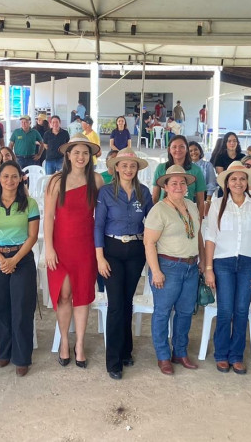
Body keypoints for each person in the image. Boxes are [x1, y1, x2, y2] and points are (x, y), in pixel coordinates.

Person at [44, 133, 103, 368]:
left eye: (85, 153)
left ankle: (79, 343)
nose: (81, 156)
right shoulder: (56, 181)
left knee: (82, 296)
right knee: (64, 295)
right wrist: (48, 248)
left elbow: (103, 214)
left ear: (90, 157)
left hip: (85, 247)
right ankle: (64, 343)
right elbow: (48, 216)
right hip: (60, 247)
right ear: (68, 155)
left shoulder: (97, 180)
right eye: (76, 152)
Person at [203, 163, 251, 375]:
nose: (238, 183)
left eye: (242, 179)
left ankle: (237, 355)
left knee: (242, 310)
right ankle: (221, 354)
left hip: (249, 263)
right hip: (223, 262)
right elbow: (210, 237)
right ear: (227, 183)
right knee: (225, 310)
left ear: (247, 182)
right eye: (233, 179)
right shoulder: (218, 204)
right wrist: (209, 268)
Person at [94, 148, 152, 379]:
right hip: (112, 250)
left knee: (127, 301)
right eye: (124, 165)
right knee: (116, 303)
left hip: (136, 250)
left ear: (137, 169)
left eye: (132, 166)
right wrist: (99, 257)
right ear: (116, 167)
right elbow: (98, 225)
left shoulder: (144, 192)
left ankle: (126, 350)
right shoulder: (106, 192)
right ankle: (114, 361)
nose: (128, 169)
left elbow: (152, 221)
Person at [0, 161, 40, 377]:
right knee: (1, 307)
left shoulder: (30, 204)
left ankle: (22, 357)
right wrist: (0, 259)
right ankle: (4, 352)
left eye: (14, 176)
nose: (10, 181)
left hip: (22, 259)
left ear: (21, 178)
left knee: (22, 308)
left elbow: (32, 236)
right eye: (5, 176)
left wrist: (14, 259)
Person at [144, 165, 203, 375]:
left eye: (182, 183)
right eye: (174, 183)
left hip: (190, 266)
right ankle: (163, 356)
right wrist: (156, 271)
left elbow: (198, 235)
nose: (179, 186)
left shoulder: (191, 206)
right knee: (162, 312)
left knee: (186, 312)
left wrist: (203, 261)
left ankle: (180, 352)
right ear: (166, 186)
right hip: (168, 266)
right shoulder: (159, 210)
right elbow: (149, 243)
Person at [152, 136, 207, 217]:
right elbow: (155, 197)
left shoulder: (196, 170)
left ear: (187, 149)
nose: (178, 150)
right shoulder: (161, 168)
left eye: (182, 146)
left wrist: (199, 226)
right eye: (174, 147)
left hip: (187, 214)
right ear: (169, 149)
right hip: (165, 214)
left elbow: (200, 202)